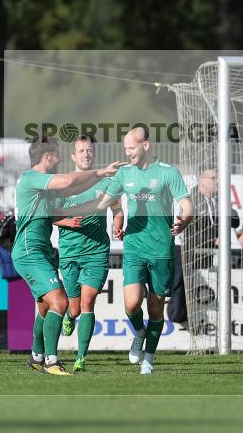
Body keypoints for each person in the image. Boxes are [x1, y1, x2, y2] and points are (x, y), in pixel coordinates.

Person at [85, 126, 194, 375]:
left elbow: (187, 204)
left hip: (161, 250)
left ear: (146, 145)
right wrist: (97, 210)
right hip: (134, 246)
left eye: (131, 148)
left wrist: (184, 220)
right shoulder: (124, 174)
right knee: (132, 303)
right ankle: (140, 333)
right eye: (125, 148)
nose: (128, 152)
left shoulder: (168, 173)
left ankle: (149, 358)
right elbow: (105, 200)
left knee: (156, 308)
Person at [13, 135, 122, 376]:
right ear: (47, 157)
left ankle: (36, 355)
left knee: (44, 306)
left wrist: (100, 182)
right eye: (58, 154)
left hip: (42, 251)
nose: (60, 159)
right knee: (61, 302)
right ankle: (51, 362)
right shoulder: (33, 179)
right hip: (30, 252)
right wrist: (101, 172)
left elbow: (71, 191)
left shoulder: (43, 185)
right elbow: (68, 181)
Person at [51, 134, 124, 373]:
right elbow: (50, 216)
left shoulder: (105, 182)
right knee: (73, 308)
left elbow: (117, 209)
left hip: (96, 251)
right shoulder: (63, 183)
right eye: (81, 151)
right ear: (73, 156)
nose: (86, 154)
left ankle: (81, 357)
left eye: (89, 151)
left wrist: (117, 222)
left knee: (88, 302)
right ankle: (70, 318)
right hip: (70, 252)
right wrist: (67, 222)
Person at [167, 168, 239, 330]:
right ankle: (177, 314)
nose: (217, 181)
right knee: (181, 283)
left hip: (207, 254)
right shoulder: (191, 200)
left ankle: (208, 324)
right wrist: (212, 238)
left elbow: (235, 221)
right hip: (185, 250)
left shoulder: (219, 201)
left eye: (218, 178)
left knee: (209, 289)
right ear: (201, 180)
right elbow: (190, 229)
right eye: (213, 178)